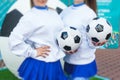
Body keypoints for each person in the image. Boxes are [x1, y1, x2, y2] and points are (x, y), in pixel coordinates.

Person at [9, 0, 67, 80]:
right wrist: (33, 52)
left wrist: (66, 47)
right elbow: (14, 40)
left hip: (55, 63)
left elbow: (58, 35)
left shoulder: (53, 13)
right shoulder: (30, 17)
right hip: (39, 65)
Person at [60, 0, 106, 80]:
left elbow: (92, 42)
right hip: (68, 62)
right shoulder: (65, 12)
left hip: (83, 64)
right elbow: (59, 34)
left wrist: (96, 43)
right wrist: (63, 48)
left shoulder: (89, 13)